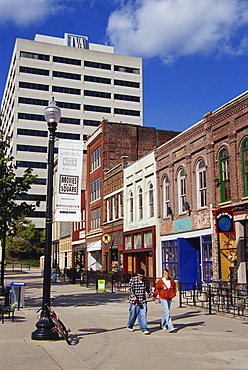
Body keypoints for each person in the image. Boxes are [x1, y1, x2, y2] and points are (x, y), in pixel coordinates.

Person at [127, 268, 153, 335]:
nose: (141, 278)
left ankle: (144, 328)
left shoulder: (145, 281)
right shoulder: (133, 280)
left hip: (142, 300)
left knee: (143, 315)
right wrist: (133, 296)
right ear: (137, 275)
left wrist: (151, 295)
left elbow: (148, 289)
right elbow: (130, 289)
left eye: (142, 276)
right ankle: (130, 325)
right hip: (134, 302)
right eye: (140, 276)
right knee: (133, 315)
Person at [152, 268, 177, 332]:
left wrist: (173, 294)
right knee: (167, 312)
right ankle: (170, 327)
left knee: (166, 311)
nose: (167, 275)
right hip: (163, 298)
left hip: (169, 297)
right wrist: (154, 295)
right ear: (163, 274)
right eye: (165, 273)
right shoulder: (160, 281)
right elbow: (157, 289)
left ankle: (162, 324)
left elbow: (174, 288)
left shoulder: (171, 281)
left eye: (167, 273)